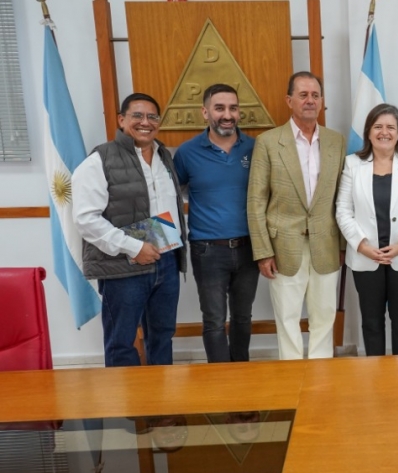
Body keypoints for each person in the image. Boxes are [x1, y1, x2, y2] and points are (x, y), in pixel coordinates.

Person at [72, 93, 186, 367]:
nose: (145, 122)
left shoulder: (164, 156)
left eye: (152, 116)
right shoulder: (100, 160)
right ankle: (126, 409)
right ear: (122, 120)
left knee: (162, 336)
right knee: (121, 342)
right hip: (123, 265)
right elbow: (86, 219)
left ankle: (162, 405)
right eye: (137, 115)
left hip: (166, 261)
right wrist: (135, 247)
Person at [247, 71, 347, 360]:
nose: (310, 100)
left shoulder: (335, 142)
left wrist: (341, 245)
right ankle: (291, 380)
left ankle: (321, 377)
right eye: (303, 95)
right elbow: (256, 201)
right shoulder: (268, 142)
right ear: (289, 100)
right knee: (287, 317)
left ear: (322, 102)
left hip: (326, 245)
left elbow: (342, 198)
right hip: (282, 247)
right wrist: (263, 252)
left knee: (325, 316)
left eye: (315, 95)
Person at [336, 104, 398, 356]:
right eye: (378, 126)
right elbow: (342, 210)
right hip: (366, 257)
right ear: (368, 132)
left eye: (391, 127)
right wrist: (362, 246)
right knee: (371, 323)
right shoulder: (352, 164)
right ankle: (377, 379)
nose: (384, 132)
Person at [174, 84, 259, 363]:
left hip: (249, 248)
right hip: (207, 250)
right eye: (219, 108)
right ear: (205, 112)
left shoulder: (255, 148)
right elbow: (177, 193)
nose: (227, 114)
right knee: (213, 320)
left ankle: (241, 376)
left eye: (233, 108)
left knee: (243, 317)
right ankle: (220, 381)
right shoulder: (186, 153)